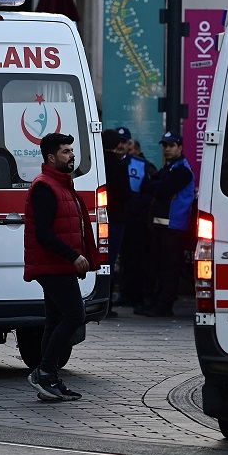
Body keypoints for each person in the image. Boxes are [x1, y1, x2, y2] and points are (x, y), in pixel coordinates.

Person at [23, 132, 100, 402]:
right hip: (53, 265)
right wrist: (73, 256)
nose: (72, 155)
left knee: (55, 319)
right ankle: (44, 371)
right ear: (51, 157)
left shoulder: (61, 184)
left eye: (72, 150)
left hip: (58, 265)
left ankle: (49, 377)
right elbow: (43, 233)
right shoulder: (45, 186)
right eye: (66, 151)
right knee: (74, 316)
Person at [134, 132, 194, 318]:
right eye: (164, 146)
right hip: (162, 225)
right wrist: (159, 187)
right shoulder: (170, 168)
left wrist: (159, 187)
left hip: (174, 227)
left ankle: (164, 305)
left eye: (171, 145)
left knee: (169, 269)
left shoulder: (182, 170)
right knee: (159, 266)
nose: (166, 149)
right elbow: (149, 185)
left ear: (180, 148)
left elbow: (161, 189)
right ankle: (157, 303)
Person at [113, 127, 154, 308]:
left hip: (135, 220)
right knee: (116, 259)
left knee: (134, 259)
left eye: (125, 142)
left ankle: (134, 295)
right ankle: (123, 293)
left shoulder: (140, 164)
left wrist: (134, 207)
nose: (121, 145)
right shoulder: (107, 162)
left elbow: (148, 192)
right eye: (119, 141)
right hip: (115, 218)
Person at [100, 129, 131, 316]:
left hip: (98, 216)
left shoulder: (96, 163)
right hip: (116, 218)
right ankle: (107, 304)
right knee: (109, 261)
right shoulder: (120, 165)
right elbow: (126, 193)